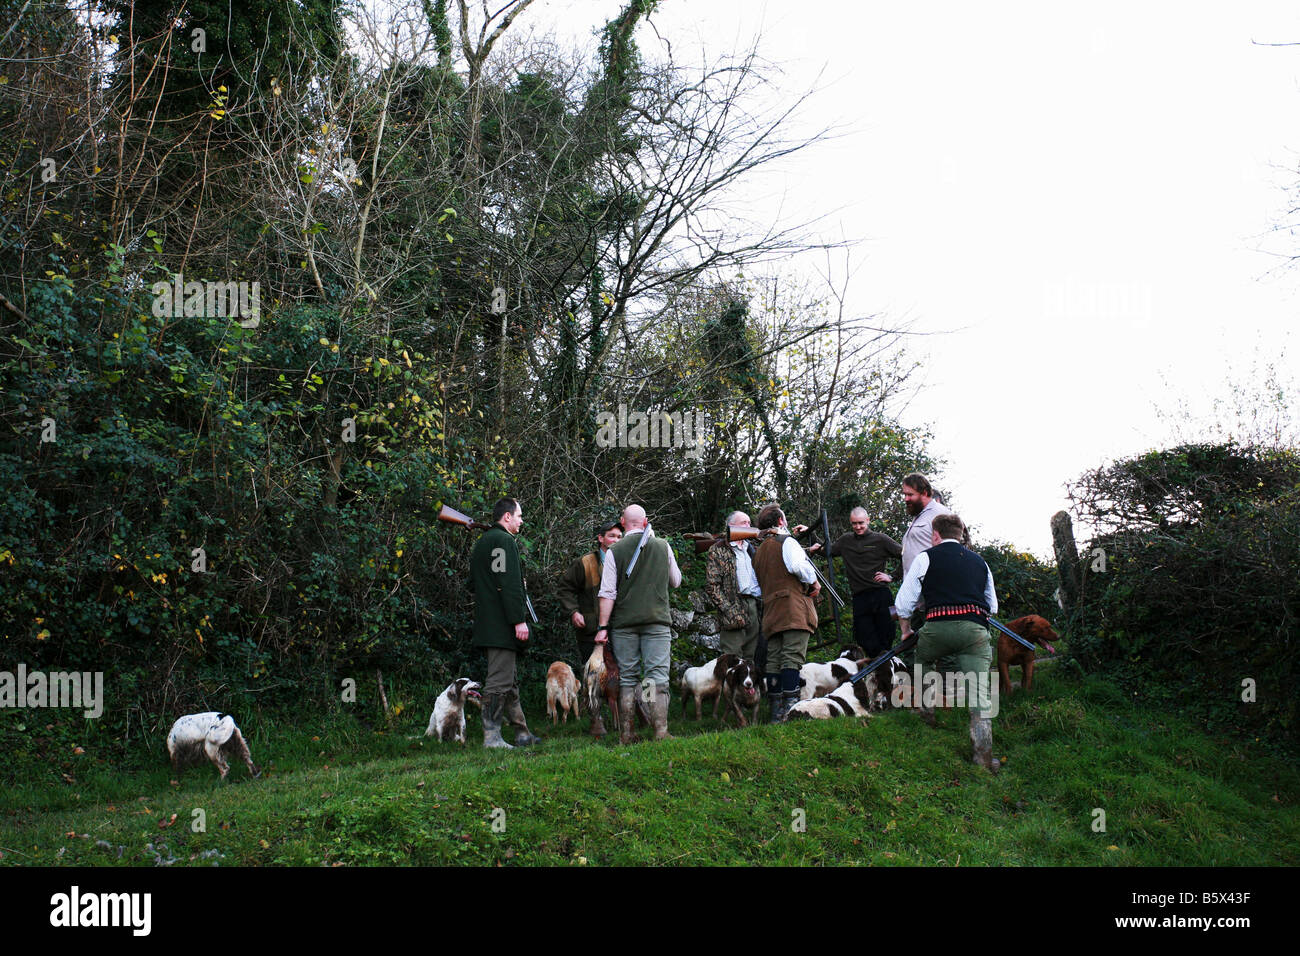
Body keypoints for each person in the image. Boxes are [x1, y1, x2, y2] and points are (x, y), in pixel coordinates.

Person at [894, 512, 1000, 771]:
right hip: (974, 632)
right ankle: (983, 757)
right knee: (980, 692)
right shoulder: (980, 562)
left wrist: (906, 630)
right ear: (961, 534)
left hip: (937, 629)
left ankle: (926, 713)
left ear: (935, 535)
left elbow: (903, 603)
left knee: (925, 662)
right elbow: (993, 606)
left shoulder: (925, 557)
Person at [594, 504, 683, 743]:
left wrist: (603, 628)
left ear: (623, 522)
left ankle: (627, 733)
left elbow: (607, 593)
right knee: (654, 677)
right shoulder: (663, 546)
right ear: (645, 523)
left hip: (624, 625)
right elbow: (676, 581)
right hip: (656, 622)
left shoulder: (614, 550)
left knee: (629, 678)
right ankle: (660, 731)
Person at [470, 497, 542, 749]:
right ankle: (492, 738)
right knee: (499, 683)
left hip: (492, 623)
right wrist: (518, 620)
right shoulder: (502, 540)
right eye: (519, 516)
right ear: (507, 517)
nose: (522, 521)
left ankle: (522, 733)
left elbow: (483, 582)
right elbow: (506, 584)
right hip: (502, 624)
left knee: (509, 682)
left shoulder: (484, 542)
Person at [751, 505, 821, 723]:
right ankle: (791, 710)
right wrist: (814, 582)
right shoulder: (786, 542)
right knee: (791, 657)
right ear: (781, 521)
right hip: (793, 608)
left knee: (773, 660)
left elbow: (756, 586)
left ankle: (775, 711)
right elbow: (799, 567)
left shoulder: (759, 551)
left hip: (771, 611)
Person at [557, 518, 623, 736]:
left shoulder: (626, 560)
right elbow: (565, 588)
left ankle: (625, 718)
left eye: (619, 536)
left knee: (620, 674)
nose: (616, 540)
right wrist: (574, 612)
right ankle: (596, 720)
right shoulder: (585, 563)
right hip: (590, 631)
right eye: (612, 536)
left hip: (620, 627)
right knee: (592, 677)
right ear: (601, 538)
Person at [827, 506, 902, 659]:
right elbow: (828, 550)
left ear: (868, 520)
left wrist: (893, 576)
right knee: (865, 638)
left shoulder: (881, 539)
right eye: (854, 524)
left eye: (861, 523)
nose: (858, 527)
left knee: (886, 637)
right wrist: (812, 538)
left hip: (880, 594)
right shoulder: (846, 540)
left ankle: (888, 673)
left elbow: (905, 554)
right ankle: (875, 671)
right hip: (860, 597)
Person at [704, 510, 764, 668]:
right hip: (733, 605)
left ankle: (745, 692)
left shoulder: (753, 547)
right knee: (731, 658)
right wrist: (729, 610)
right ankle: (729, 691)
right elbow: (712, 586)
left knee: (750, 657)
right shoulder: (718, 549)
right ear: (731, 526)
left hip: (754, 604)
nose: (748, 526)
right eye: (744, 523)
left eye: (749, 523)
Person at [900, 472, 954, 632]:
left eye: (910, 494)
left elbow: (955, 550)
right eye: (905, 494)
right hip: (917, 596)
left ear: (924, 493)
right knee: (918, 647)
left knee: (938, 647)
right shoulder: (919, 515)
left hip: (934, 596)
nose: (906, 499)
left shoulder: (941, 513)